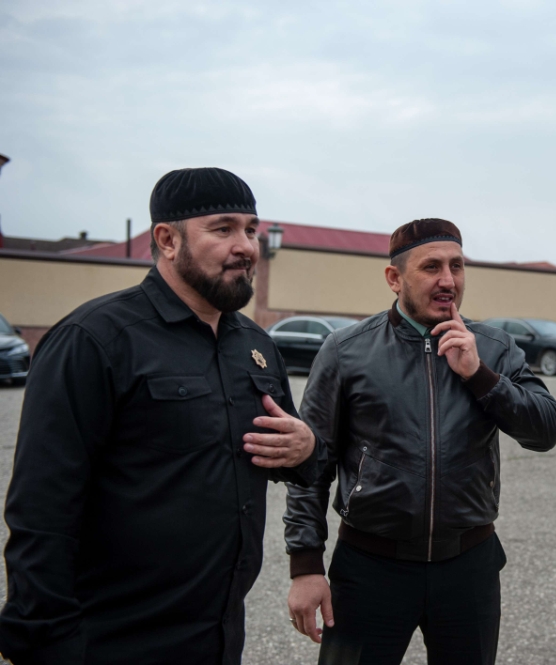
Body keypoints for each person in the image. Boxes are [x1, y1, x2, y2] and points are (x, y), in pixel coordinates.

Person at [0, 168, 323, 665]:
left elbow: (287, 452)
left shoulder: (256, 346)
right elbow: (42, 509)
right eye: (223, 229)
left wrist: (305, 449)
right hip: (112, 639)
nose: (246, 246)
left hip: (219, 633)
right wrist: (45, 640)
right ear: (168, 240)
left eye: (251, 229)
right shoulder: (95, 339)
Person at [283, 218, 556, 665]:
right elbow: (310, 464)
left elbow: (546, 431)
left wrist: (479, 375)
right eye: (431, 267)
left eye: (457, 266)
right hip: (370, 567)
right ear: (394, 278)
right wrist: (305, 565)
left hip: (468, 567)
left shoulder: (494, 348)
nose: (448, 280)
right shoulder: (346, 351)